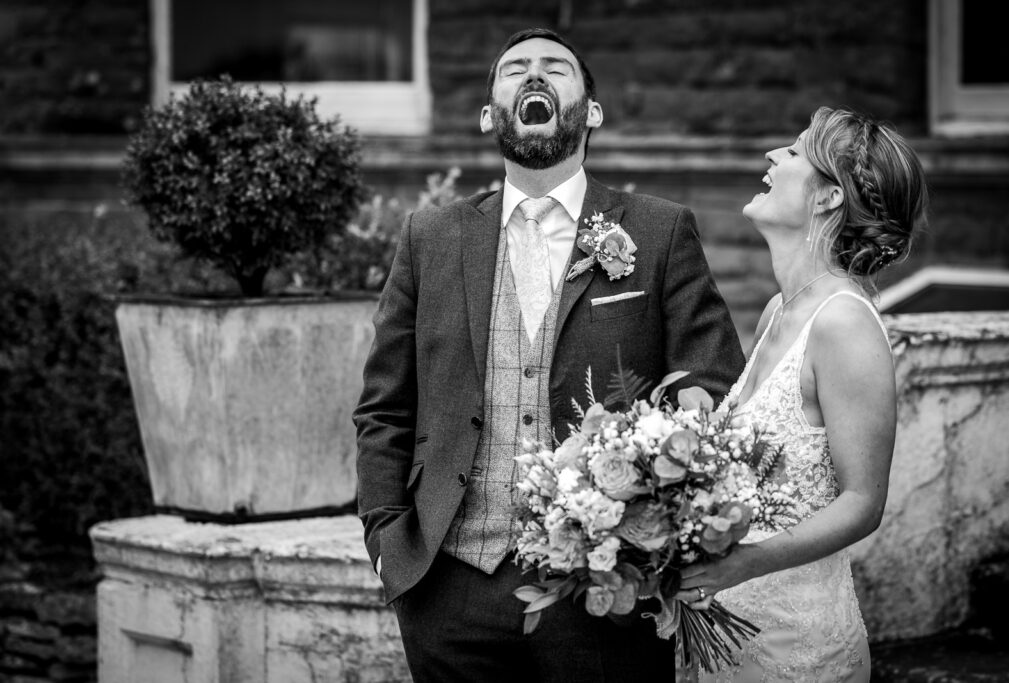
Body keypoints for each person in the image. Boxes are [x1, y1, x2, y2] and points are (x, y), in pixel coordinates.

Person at [354, 27, 745, 683]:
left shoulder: (657, 229)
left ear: (591, 110)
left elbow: (711, 387)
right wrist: (387, 542)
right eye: (515, 70)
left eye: (556, 68)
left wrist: (670, 538)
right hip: (449, 589)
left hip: (608, 593)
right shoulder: (431, 237)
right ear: (488, 115)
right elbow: (385, 407)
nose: (534, 76)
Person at [676, 107, 928, 682]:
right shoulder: (777, 312)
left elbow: (863, 501)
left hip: (796, 649)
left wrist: (744, 563)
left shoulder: (844, 324)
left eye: (792, 152)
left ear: (828, 198)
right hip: (726, 631)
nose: (772, 157)